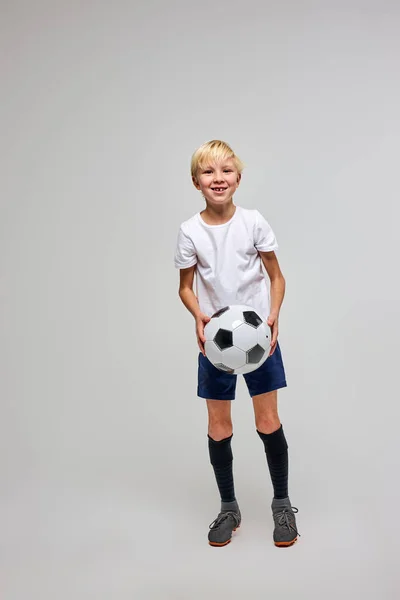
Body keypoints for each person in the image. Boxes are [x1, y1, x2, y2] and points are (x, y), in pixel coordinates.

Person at [174, 140, 300, 548]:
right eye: (209, 172)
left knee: (267, 422)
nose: (218, 179)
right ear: (196, 182)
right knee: (218, 425)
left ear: (238, 178)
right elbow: (185, 287)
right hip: (215, 345)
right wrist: (198, 316)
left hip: (258, 339)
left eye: (226, 171)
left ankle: (281, 503)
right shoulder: (189, 231)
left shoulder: (253, 221)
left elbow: (276, 276)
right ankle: (229, 507)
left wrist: (274, 313)